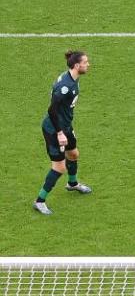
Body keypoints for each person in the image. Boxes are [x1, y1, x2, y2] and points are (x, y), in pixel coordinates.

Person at [33, 50, 93, 215]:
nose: (88, 65)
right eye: (85, 62)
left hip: (65, 126)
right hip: (54, 129)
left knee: (73, 154)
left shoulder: (73, 78)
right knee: (59, 167)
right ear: (76, 65)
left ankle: (72, 184)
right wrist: (59, 133)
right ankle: (39, 201)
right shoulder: (65, 87)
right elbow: (52, 110)